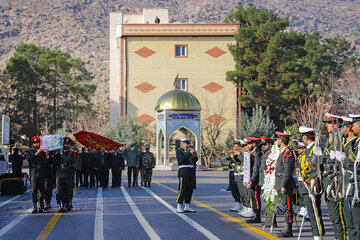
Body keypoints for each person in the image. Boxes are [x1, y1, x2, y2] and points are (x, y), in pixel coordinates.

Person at [322, 114, 346, 240]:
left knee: (338, 215)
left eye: (329, 123)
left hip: (336, 181)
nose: (326, 125)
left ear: (336, 125)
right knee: (332, 213)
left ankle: (340, 237)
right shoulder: (329, 139)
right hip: (328, 180)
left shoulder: (340, 140)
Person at [298, 126, 325, 239]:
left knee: (314, 213)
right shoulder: (308, 150)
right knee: (312, 213)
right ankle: (316, 234)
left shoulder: (315, 149)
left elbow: (318, 168)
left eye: (303, 137)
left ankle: (318, 235)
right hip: (306, 186)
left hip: (311, 187)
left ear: (306, 138)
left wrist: (313, 186)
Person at [274, 131, 296, 238]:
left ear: (281, 140)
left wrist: (282, 185)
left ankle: (288, 229)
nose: (277, 141)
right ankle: (286, 227)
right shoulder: (283, 152)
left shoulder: (288, 153)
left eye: (278, 139)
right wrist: (276, 185)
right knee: (284, 206)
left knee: (287, 206)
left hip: (286, 184)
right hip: (281, 183)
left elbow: (287, 171)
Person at [342, 115, 360, 240]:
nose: (351, 128)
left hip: (357, 187)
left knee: (358, 224)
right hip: (350, 187)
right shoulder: (355, 143)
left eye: (353, 125)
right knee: (351, 223)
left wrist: (345, 163)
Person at [54, 137, 78, 212]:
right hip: (59, 172)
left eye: (67, 144)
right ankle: (59, 204)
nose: (66, 145)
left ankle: (66, 203)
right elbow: (54, 161)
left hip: (68, 172)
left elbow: (69, 160)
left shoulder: (73, 153)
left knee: (67, 189)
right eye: (64, 144)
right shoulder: (59, 152)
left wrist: (62, 154)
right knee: (59, 190)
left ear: (70, 145)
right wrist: (56, 153)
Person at [176, 139, 198, 213]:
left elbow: (195, 160)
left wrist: (194, 154)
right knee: (183, 189)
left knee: (190, 189)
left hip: (190, 171)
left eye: (188, 144)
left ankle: (187, 206)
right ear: (182, 144)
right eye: (186, 144)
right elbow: (181, 159)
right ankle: (179, 205)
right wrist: (189, 153)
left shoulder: (189, 152)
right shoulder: (179, 151)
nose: (187, 145)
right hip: (183, 171)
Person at [26, 136, 47, 214]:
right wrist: (36, 153)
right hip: (34, 173)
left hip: (41, 172)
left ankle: (41, 205)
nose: (36, 144)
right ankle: (35, 206)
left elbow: (46, 161)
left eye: (37, 143)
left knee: (41, 191)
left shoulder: (43, 152)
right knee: (34, 191)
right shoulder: (30, 152)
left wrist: (46, 154)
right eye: (34, 143)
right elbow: (28, 158)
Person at [227, 139, 243, 212]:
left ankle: (239, 204)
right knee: (233, 188)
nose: (235, 147)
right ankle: (237, 204)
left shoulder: (240, 153)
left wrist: (234, 156)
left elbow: (238, 162)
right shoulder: (234, 152)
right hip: (231, 172)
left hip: (237, 172)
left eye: (237, 145)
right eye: (234, 146)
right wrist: (230, 156)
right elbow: (228, 159)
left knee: (237, 189)